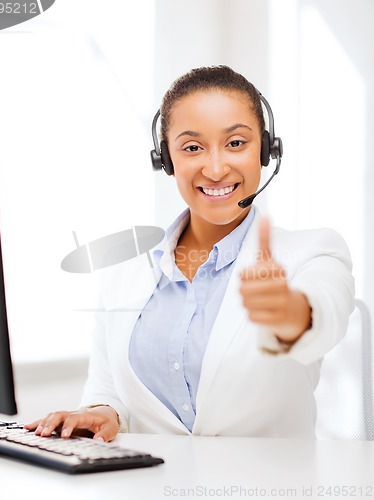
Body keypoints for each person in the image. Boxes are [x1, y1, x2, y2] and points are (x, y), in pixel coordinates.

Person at [25, 65, 354, 441]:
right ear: (166, 159)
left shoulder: (312, 252)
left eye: (236, 143)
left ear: (265, 150)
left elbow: (324, 318)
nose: (215, 168)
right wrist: (104, 413)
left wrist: (289, 313)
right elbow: (108, 389)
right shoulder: (125, 269)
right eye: (192, 147)